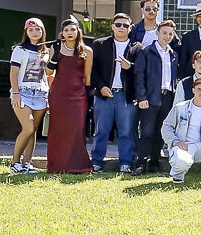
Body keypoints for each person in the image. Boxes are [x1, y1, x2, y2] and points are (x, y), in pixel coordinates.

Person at [89, 11, 137, 173]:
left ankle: (126, 163)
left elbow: (142, 71)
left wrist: (130, 66)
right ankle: (96, 162)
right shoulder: (100, 44)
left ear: (130, 28)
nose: (121, 27)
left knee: (126, 132)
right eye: (118, 24)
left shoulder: (137, 47)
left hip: (126, 95)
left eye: (125, 25)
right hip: (104, 94)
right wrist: (101, 86)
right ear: (112, 26)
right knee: (101, 131)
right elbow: (92, 70)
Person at [45, 17, 93, 175]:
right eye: (66, 30)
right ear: (62, 33)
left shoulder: (87, 51)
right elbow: (48, 71)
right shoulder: (56, 48)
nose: (69, 32)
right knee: (58, 129)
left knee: (76, 129)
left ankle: (78, 166)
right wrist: (55, 55)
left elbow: (87, 78)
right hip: (58, 94)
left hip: (78, 95)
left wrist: (88, 96)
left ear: (78, 31)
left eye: (72, 29)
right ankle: (57, 165)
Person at [131, 19, 179, 173]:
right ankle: (140, 162)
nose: (167, 36)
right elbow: (139, 76)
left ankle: (154, 161)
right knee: (146, 131)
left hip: (167, 97)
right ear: (157, 33)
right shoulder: (147, 52)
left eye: (170, 34)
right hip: (151, 96)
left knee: (160, 130)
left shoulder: (173, 54)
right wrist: (141, 97)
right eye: (164, 33)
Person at [7, 17, 53, 174]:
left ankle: (27, 163)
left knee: (33, 131)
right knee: (28, 127)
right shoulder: (20, 50)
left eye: (38, 29)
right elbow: (14, 73)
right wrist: (16, 93)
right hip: (23, 92)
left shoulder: (47, 52)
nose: (34, 32)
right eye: (31, 29)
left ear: (43, 31)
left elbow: (49, 75)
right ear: (26, 32)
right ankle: (15, 162)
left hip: (41, 93)